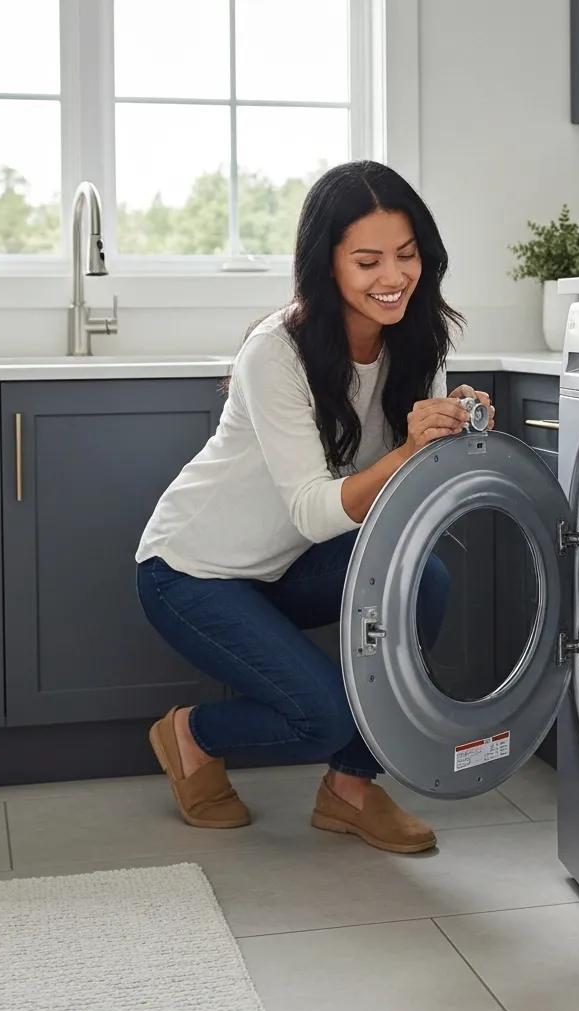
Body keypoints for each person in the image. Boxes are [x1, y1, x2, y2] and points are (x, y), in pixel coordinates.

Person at [134, 160, 494, 854]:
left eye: (408, 255)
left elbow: (413, 493)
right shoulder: (276, 352)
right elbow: (313, 511)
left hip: (290, 568)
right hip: (192, 572)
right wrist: (410, 449)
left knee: (426, 579)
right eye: (368, 261)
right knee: (323, 715)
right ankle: (191, 734)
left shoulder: (418, 341)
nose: (393, 277)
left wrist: (458, 425)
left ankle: (350, 791)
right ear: (324, 265)